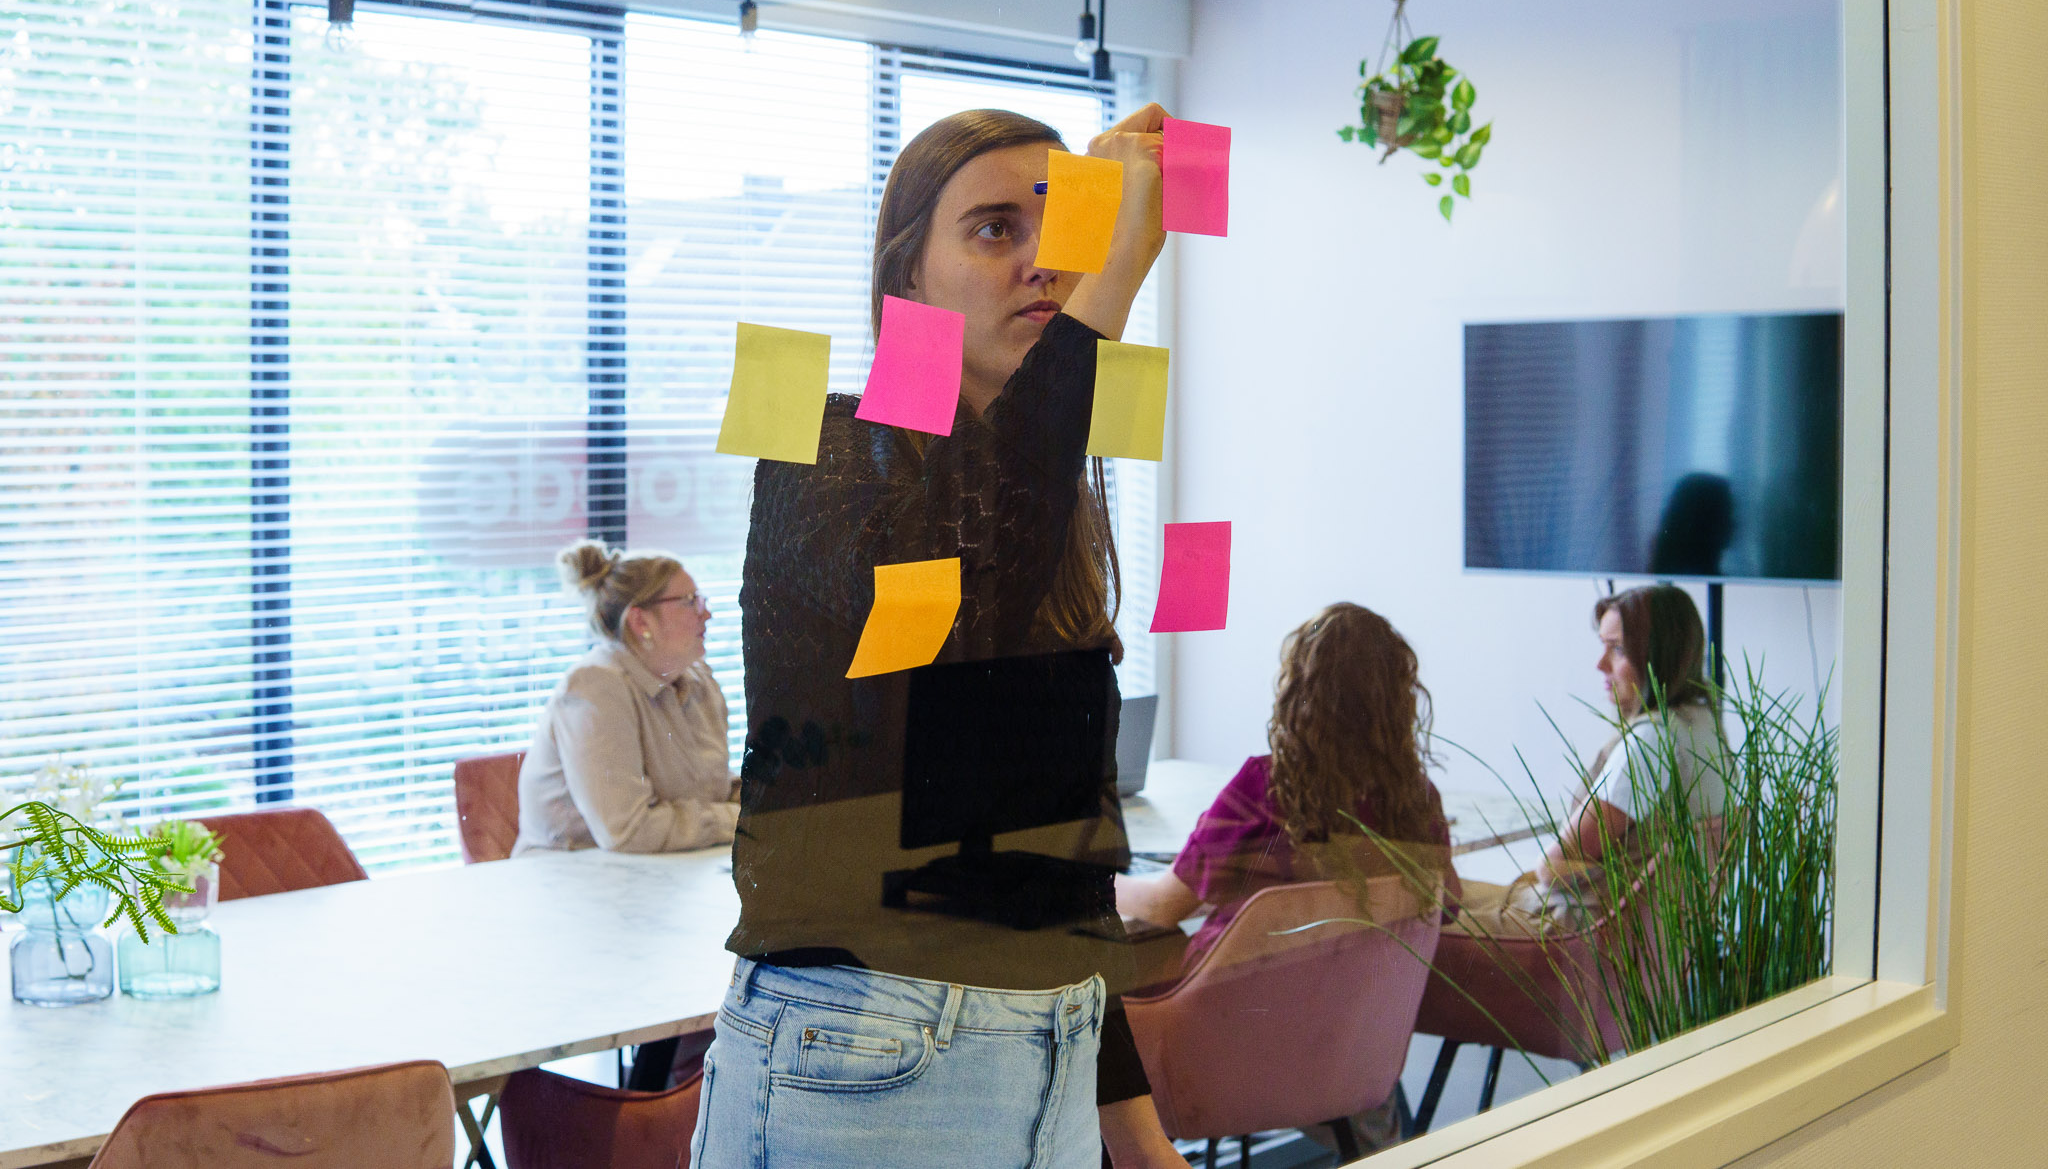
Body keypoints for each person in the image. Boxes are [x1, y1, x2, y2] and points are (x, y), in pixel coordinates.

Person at [693, 106, 1189, 1169]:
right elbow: (959, 596)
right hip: (863, 1045)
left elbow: (1047, 878)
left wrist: (1138, 1141)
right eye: (995, 230)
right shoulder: (824, 451)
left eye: (1061, 233)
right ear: (905, 282)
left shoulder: (1054, 514)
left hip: (1042, 1058)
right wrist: (1101, 296)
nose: (1042, 267)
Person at [1114, 603, 1458, 1154]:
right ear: (1397, 702)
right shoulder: (1415, 801)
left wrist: (1106, 883)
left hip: (1229, 1044)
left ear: (1300, 695)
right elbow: (1447, 904)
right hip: (1345, 1048)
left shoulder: (1266, 786)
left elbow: (1160, 908)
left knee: (1104, 976)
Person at [1457, 582, 1728, 937]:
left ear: (1659, 656)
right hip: (1644, 939)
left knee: (1423, 912)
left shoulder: (1650, 743)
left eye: (1617, 649)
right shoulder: (1705, 727)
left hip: (1575, 935)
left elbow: (1555, 864)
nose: (1600, 665)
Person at [512, 540, 740, 858]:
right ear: (640, 621)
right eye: (690, 602)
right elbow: (628, 830)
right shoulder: (594, 687)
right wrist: (743, 821)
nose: (708, 613)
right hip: (569, 881)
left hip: (661, 873)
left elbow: (711, 791)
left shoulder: (696, 679)